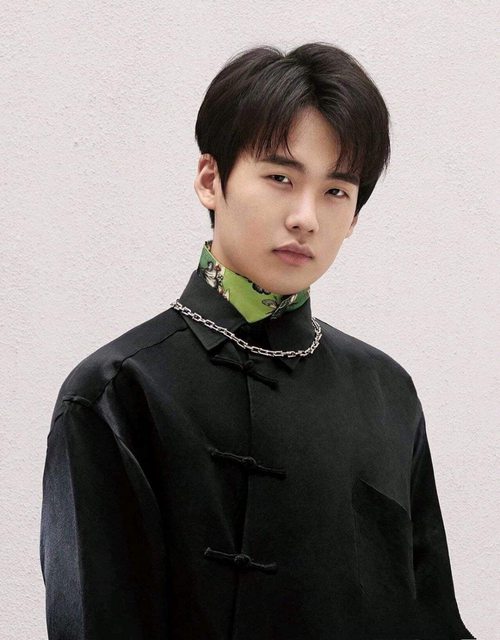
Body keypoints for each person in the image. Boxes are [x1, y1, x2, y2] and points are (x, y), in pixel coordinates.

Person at [40, 42, 475, 639]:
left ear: (355, 217)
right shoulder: (117, 394)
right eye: (280, 178)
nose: (305, 217)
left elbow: (435, 622)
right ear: (210, 179)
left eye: (336, 191)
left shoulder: (387, 391)